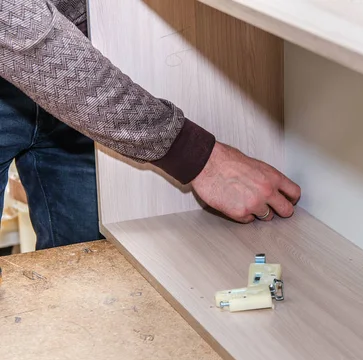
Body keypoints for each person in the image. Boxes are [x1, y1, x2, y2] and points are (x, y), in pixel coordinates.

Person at [0, 0, 301, 250]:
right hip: (57, 63)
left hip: (85, 69)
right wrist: (198, 157)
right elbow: (23, 35)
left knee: (91, 263)